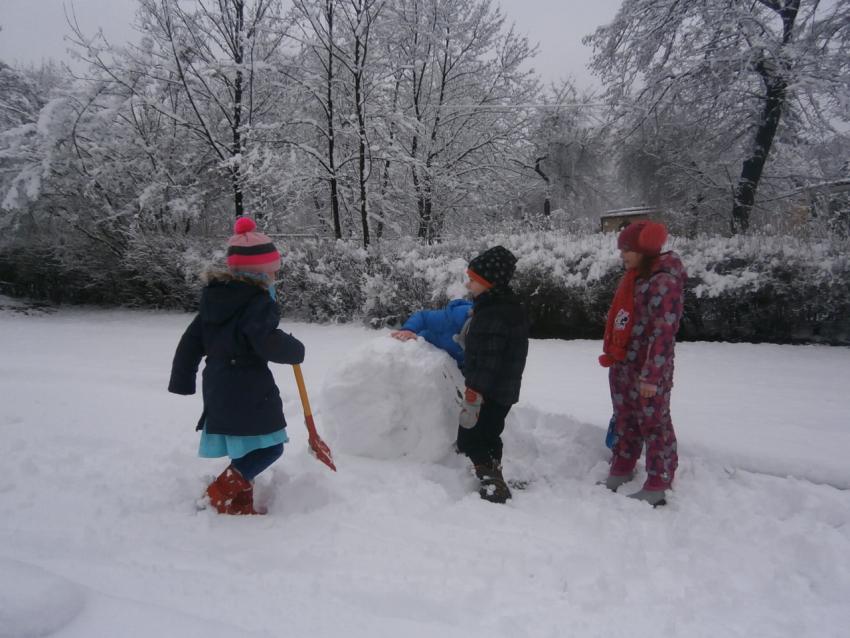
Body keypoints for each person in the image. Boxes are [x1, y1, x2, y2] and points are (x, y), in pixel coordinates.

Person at [168, 217, 305, 515]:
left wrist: (182, 379)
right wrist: (294, 349)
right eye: (273, 268)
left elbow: (190, 342)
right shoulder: (256, 302)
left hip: (218, 383)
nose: (276, 273)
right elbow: (264, 339)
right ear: (259, 271)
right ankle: (217, 494)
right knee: (271, 447)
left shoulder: (216, 300)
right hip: (246, 386)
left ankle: (240, 503)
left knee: (248, 444)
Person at [598, 220, 686, 507]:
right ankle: (623, 465)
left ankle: (660, 479)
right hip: (623, 363)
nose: (621, 255)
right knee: (625, 418)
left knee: (654, 423)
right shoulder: (635, 277)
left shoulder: (664, 281)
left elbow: (664, 333)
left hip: (648, 369)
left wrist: (652, 376)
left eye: (627, 249)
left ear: (644, 250)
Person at [456, 245, 529, 503]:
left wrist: (475, 391)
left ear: (489, 283)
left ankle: (493, 483)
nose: (468, 284)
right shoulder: (505, 308)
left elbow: (489, 360)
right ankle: (494, 468)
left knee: (469, 438)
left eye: (473, 280)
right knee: (490, 434)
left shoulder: (493, 315)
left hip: (486, 391)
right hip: (504, 391)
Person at [390, 298, 473, 367]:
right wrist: (409, 329)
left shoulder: (477, 353)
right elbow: (423, 317)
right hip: (420, 348)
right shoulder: (454, 317)